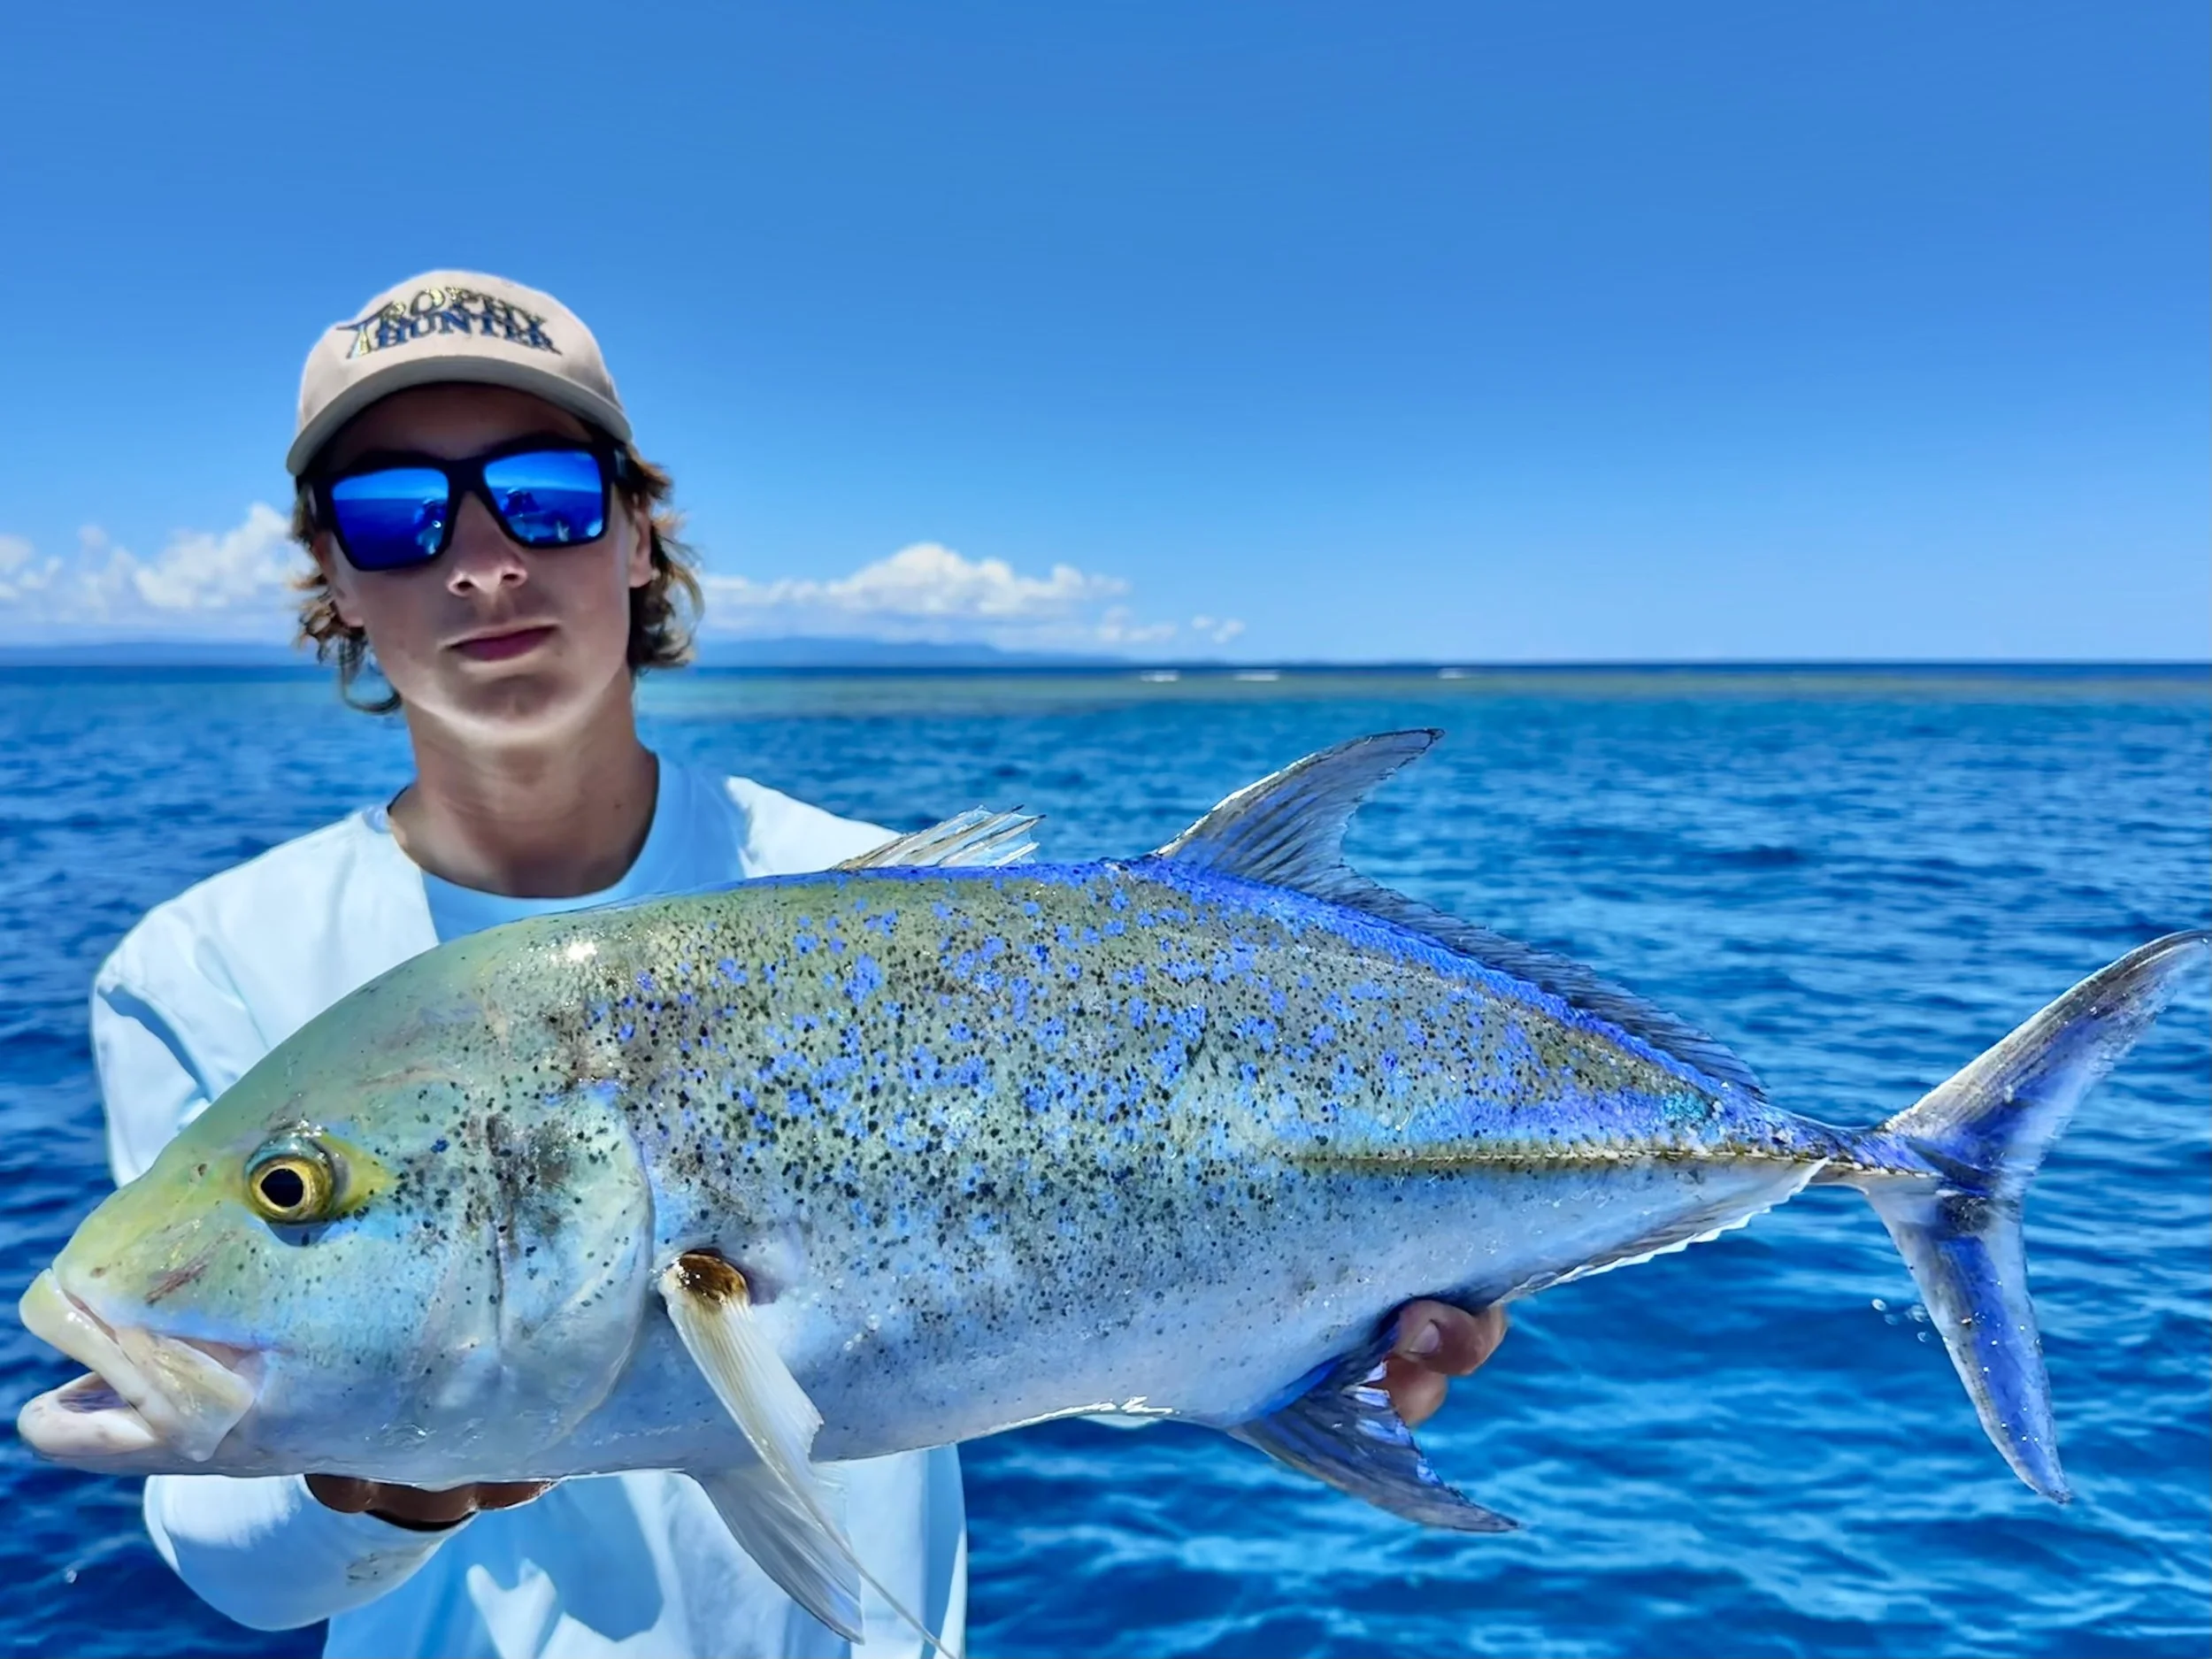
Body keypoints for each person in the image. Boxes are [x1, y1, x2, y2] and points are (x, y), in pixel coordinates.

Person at [89, 270, 1508, 1659]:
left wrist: (1299, 1329)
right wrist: (364, 1485)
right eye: (394, 513)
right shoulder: (210, 965)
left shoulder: (868, 898)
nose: (482, 559)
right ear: (331, 573)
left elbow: (1056, 1273)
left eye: (548, 495)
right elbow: (231, 1560)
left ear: (639, 535)